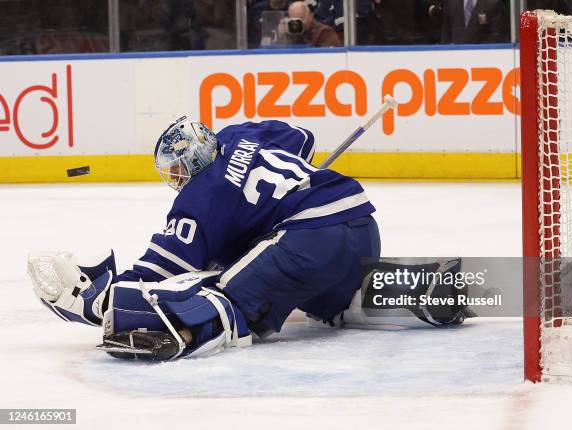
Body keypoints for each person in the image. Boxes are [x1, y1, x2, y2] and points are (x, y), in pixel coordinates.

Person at [28, 117, 381, 360]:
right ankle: (360, 298)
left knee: (222, 296)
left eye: (177, 169)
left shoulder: (199, 199)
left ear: (193, 161)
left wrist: (99, 302)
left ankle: (186, 333)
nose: (176, 178)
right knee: (320, 295)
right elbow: (303, 139)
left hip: (310, 240)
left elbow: (159, 268)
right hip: (362, 222)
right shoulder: (239, 134)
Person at [440, 0, 509, 44]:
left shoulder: (493, 3)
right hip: (455, 57)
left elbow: (498, 35)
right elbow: (446, 32)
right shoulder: (451, 2)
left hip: (483, 57)